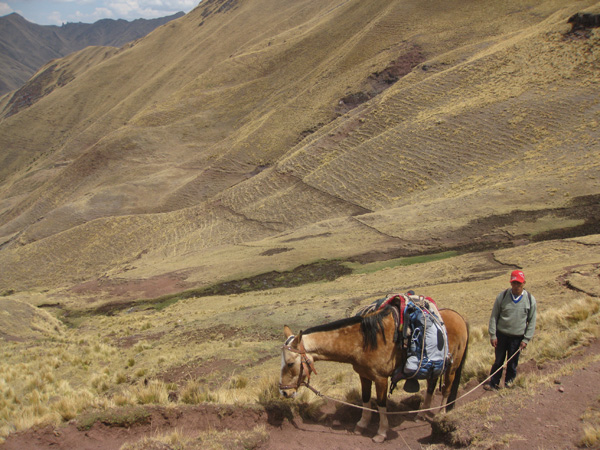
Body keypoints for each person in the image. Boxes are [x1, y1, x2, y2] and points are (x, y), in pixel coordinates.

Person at [484, 269, 537, 390]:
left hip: (518, 338)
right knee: (498, 361)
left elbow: (532, 321)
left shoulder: (530, 299)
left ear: (524, 283)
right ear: (511, 283)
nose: (517, 286)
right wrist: (493, 335)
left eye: (519, 283)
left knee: (512, 363)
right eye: (514, 283)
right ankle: (493, 383)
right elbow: (494, 317)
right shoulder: (502, 296)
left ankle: (509, 384)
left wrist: (526, 339)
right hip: (501, 336)